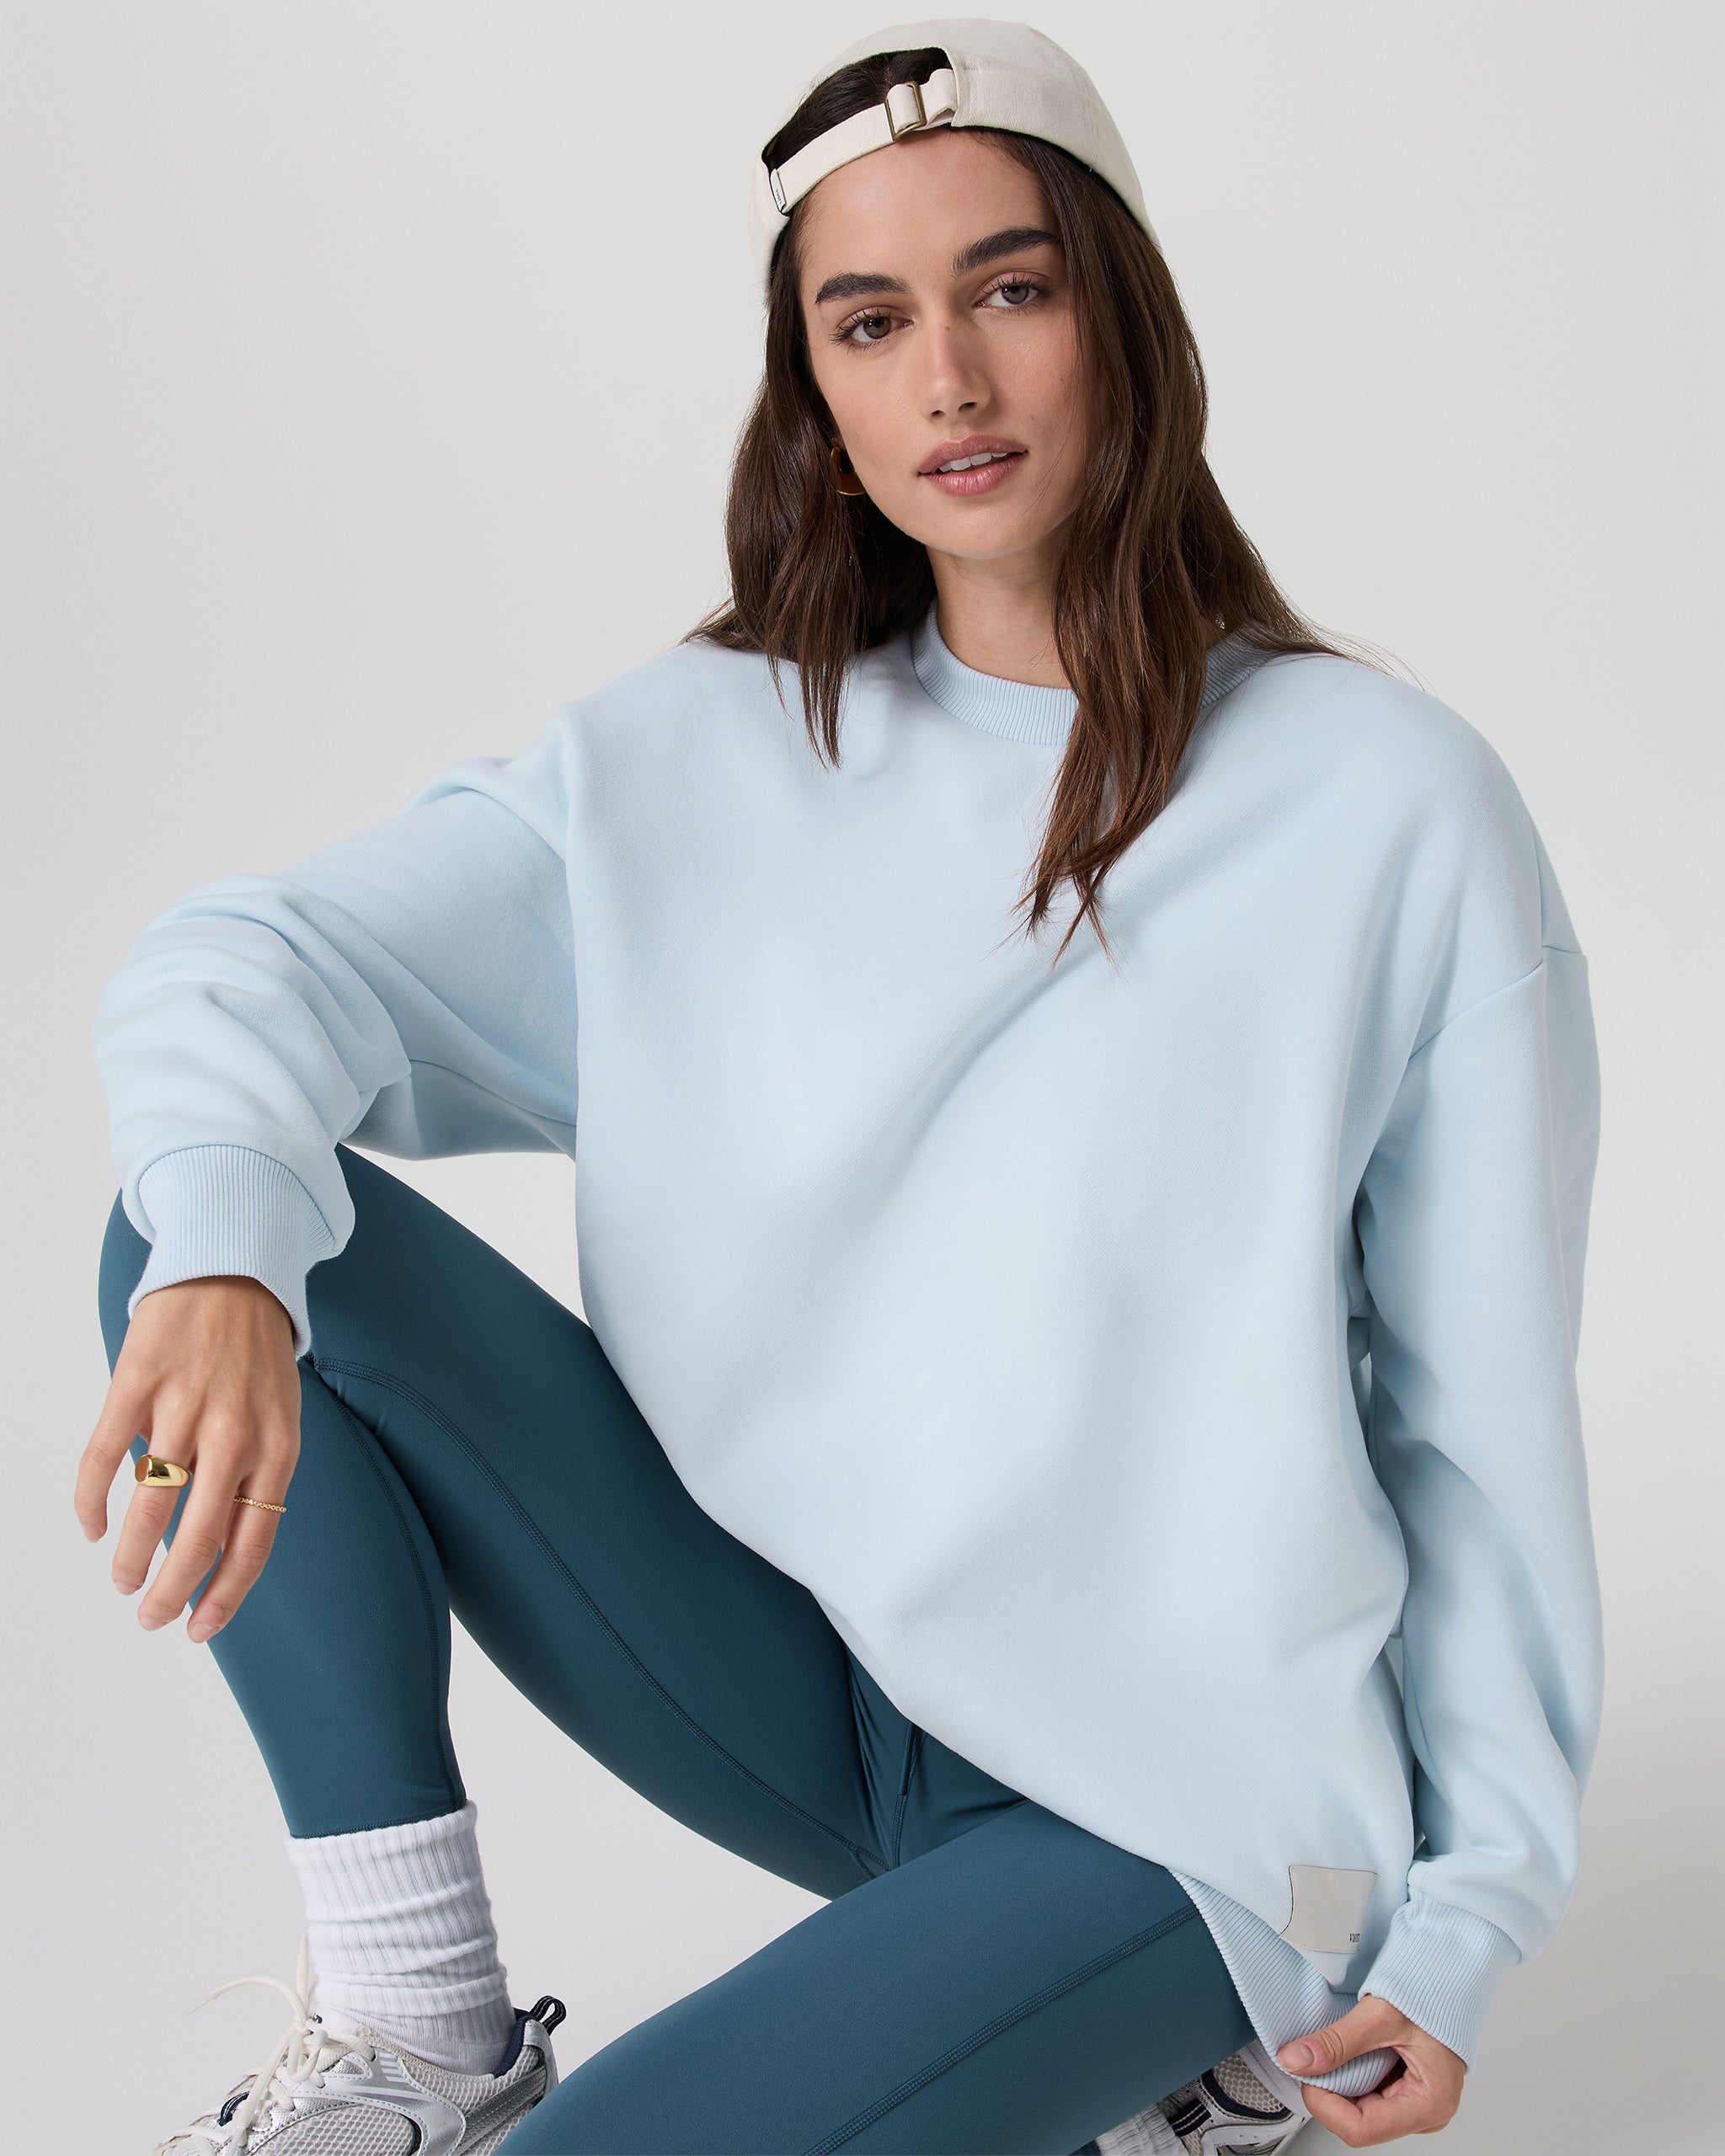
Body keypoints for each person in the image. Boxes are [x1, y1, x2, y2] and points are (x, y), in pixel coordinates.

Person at [81, 21, 1604, 2155]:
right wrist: (224, 1258)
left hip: (1198, 1808)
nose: (949, 380)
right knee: (207, 1223)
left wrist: (1456, 1920)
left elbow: (1478, 1421)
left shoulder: (1388, 806)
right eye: (869, 322)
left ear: (1124, 312)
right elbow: (238, 962)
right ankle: (418, 2021)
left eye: (1011, 288)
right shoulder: (699, 758)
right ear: (815, 387)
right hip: (813, 1689)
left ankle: (1174, 2039)